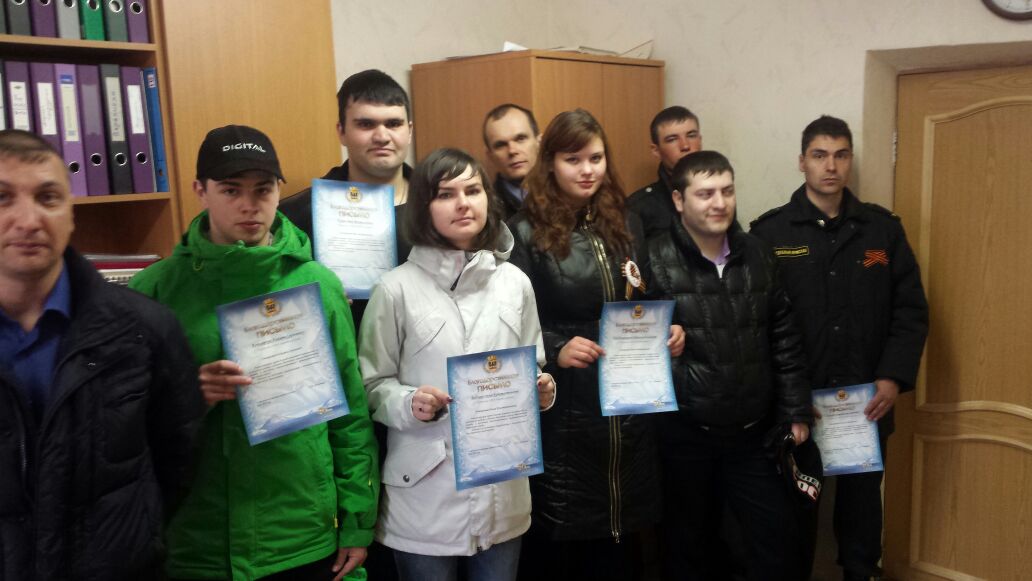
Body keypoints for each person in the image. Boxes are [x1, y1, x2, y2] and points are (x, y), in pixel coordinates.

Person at [129, 125, 379, 581]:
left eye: (263, 189)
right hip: (200, 539)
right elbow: (122, 426)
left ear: (278, 191)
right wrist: (188, 397)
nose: (249, 204)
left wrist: (357, 521)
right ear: (200, 191)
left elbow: (350, 417)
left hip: (301, 529)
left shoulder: (318, 285)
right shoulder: (153, 291)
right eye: (231, 190)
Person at [0, 129, 204, 579]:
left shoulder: (145, 329)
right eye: (3, 198)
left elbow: (177, 455)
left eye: (48, 197)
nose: (28, 219)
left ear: (71, 213)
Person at [358, 148, 556, 581]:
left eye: (473, 190)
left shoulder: (515, 283)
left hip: (503, 492)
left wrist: (541, 388)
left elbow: (532, 363)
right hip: (425, 496)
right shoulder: (395, 289)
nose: (463, 203)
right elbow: (371, 385)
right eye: (446, 194)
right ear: (423, 207)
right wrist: (410, 403)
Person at [508, 109, 685, 580]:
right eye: (573, 160)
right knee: (565, 544)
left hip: (629, 408)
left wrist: (667, 331)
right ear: (550, 163)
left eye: (596, 158)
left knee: (622, 542)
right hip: (566, 412)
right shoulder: (524, 231)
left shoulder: (625, 221)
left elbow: (643, 297)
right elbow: (510, 323)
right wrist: (556, 347)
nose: (587, 170)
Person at [750, 115, 929, 581]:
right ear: (802, 162)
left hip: (866, 400)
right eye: (820, 155)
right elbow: (758, 321)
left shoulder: (881, 232)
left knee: (862, 511)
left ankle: (860, 572)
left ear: (850, 161)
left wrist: (892, 377)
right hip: (798, 402)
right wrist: (784, 396)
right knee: (792, 511)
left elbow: (910, 310)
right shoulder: (771, 233)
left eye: (841, 155)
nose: (831, 166)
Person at [644, 150, 812, 580]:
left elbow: (785, 339)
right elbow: (632, 349)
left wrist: (795, 411)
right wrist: (661, 345)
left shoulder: (758, 254)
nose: (719, 203)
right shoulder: (651, 260)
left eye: (727, 191)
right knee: (688, 550)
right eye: (705, 194)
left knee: (776, 545)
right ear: (679, 200)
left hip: (753, 436)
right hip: (684, 437)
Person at [281, 68, 414, 266]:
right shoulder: (297, 217)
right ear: (341, 132)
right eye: (366, 124)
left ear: (409, 131)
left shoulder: (442, 202)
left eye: (393, 124)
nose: (382, 137)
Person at [627, 106, 704, 239]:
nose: (685, 146)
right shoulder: (638, 207)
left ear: (700, 141)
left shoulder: (719, 193)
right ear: (656, 150)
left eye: (691, 135)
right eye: (672, 139)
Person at [482, 104, 541, 219]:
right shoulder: (487, 211)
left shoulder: (568, 193)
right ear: (490, 155)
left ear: (539, 142)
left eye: (520, 139)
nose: (512, 151)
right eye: (501, 145)